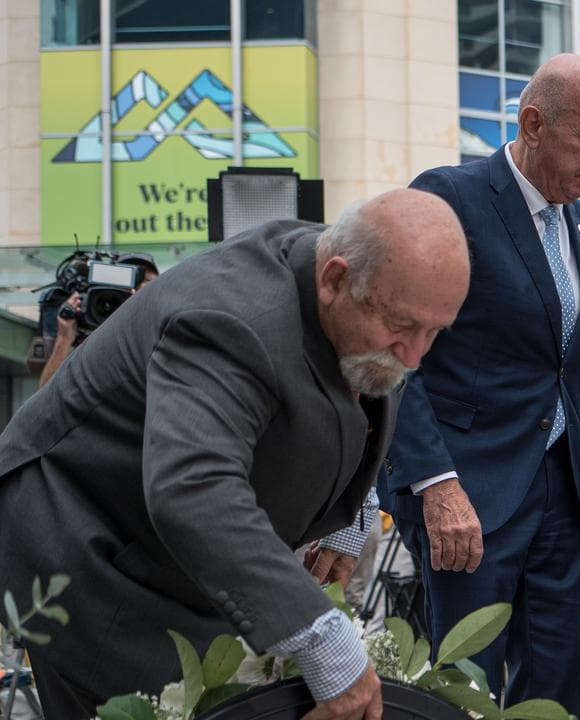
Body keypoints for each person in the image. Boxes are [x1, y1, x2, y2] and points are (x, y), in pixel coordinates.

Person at [0, 189, 470, 719]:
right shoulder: (228, 319)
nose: (415, 354)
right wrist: (320, 635)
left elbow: (361, 386)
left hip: (177, 556)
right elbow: (194, 488)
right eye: (403, 327)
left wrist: (350, 511)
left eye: (435, 332)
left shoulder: (368, 293)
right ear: (335, 279)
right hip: (88, 544)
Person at [378, 53, 580, 716]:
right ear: (534, 123)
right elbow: (398, 356)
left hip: (561, 496)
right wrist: (435, 484)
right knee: (466, 688)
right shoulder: (449, 198)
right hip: (468, 493)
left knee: (554, 684)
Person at [37, 252, 162, 388]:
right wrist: (64, 339)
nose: (137, 290)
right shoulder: (86, 330)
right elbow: (45, 395)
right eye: (130, 281)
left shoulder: (161, 332)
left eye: (148, 283)